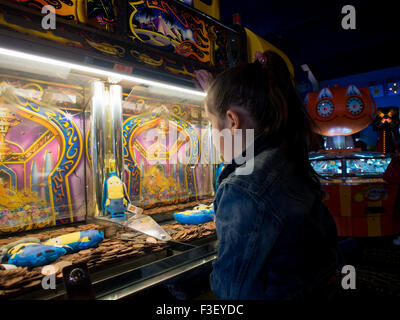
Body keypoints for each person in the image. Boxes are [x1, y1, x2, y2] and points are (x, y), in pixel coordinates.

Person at [195, 50, 343, 300]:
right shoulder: (285, 156)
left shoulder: (242, 187)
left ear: (232, 121)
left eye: (211, 124)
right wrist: (217, 96)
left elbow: (233, 291)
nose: (212, 133)